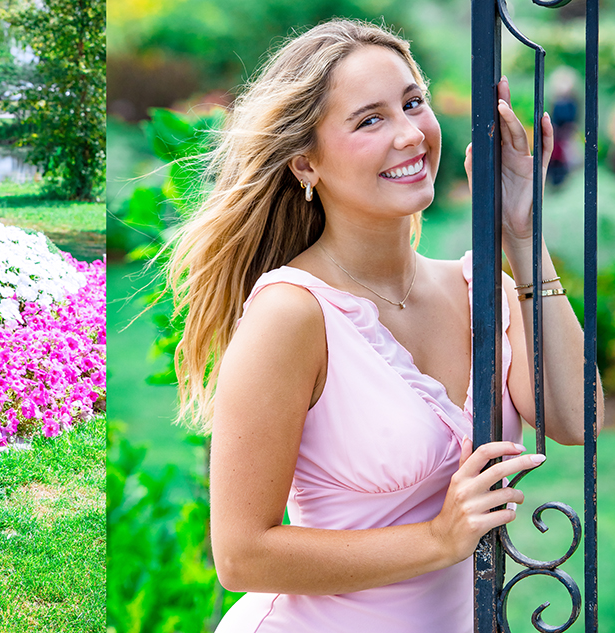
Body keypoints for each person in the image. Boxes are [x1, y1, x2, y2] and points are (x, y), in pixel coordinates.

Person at [165, 20, 598, 631]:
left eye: (413, 103)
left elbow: (577, 419)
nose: (409, 134)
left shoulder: (484, 292)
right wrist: (439, 539)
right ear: (305, 164)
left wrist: (522, 233)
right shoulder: (294, 315)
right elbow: (242, 556)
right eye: (369, 120)